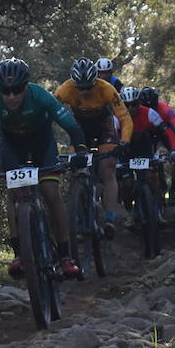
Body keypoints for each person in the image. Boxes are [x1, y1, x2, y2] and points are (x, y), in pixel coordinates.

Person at [0, 58, 88, 280]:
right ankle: (19, 254)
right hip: (12, 145)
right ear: (0, 90)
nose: (11, 97)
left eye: (17, 90)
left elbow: (71, 125)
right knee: (14, 193)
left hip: (42, 143)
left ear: (26, 86)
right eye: (6, 91)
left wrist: (82, 152)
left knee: (50, 193)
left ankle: (66, 257)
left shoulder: (40, 95)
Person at [53, 57, 132, 238]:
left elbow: (125, 118)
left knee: (107, 169)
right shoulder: (65, 89)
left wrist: (124, 141)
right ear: (74, 83)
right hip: (80, 131)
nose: (85, 91)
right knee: (77, 169)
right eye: (81, 87)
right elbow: (48, 114)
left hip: (104, 129)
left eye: (89, 86)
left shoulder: (106, 88)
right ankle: (80, 216)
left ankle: (109, 218)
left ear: (95, 81)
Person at [121, 86, 175, 218]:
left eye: (134, 104)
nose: (131, 108)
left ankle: (159, 208)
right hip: (126, 151)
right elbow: (111, 138)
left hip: (145, 148)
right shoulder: (117, 117)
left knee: (151, 178)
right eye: (127, 105)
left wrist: (174, 149)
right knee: (127, 184)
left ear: (139, 103)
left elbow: (167, 131)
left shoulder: (149, 113)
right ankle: (129, 214)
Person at [139, 87, 175, 203]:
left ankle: (172, 190)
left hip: (164, 132)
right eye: (146, 107)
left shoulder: (165, 109)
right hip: (147, 135)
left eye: (153, 106)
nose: (150, 110)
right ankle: (156, 186)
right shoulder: (138, 111)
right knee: (150, 159)